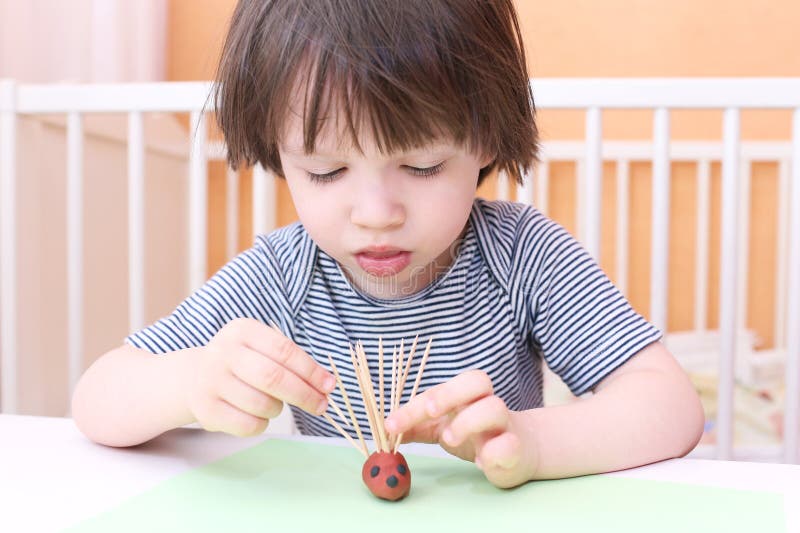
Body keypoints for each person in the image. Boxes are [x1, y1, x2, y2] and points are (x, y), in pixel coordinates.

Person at [72, 0, 704, 489]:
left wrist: (534, 445)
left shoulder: (523, 256)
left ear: (484, 139)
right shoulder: (282, 274)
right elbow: (98, 397)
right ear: (278, 151)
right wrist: (189, 382)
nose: (376, 215)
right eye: (325, 172)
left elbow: (670, 404)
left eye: (423, 166)